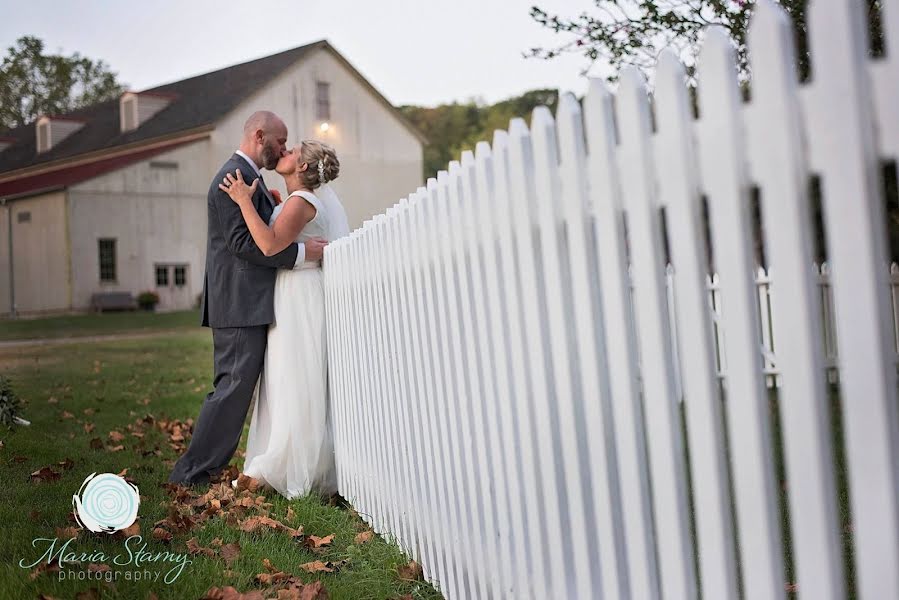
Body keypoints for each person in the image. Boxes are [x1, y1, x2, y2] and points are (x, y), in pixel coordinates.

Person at [168, 111, 328, 486]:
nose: (283, 149)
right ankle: (192, 475)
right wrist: (305, 255)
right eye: (280, 142)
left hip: (246, 301)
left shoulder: (250, 178)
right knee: (231, 390)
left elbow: (259, 229)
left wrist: (269, 207)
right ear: (260, 136)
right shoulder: (232, 177)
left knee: (235, 390)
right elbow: (243, 245)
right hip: (238, 302)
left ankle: (201, 470)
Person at [219, 139, 349, 498]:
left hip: (298, 297)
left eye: (293, 151)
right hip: (292, 292)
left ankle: (291, 461)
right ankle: (291, 455)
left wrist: (244, 200)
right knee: (287, 374)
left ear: (303, 168)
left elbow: (271, 246)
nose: (286, 151)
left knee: (294, 375)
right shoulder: (297, 202)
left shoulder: (302, 201)